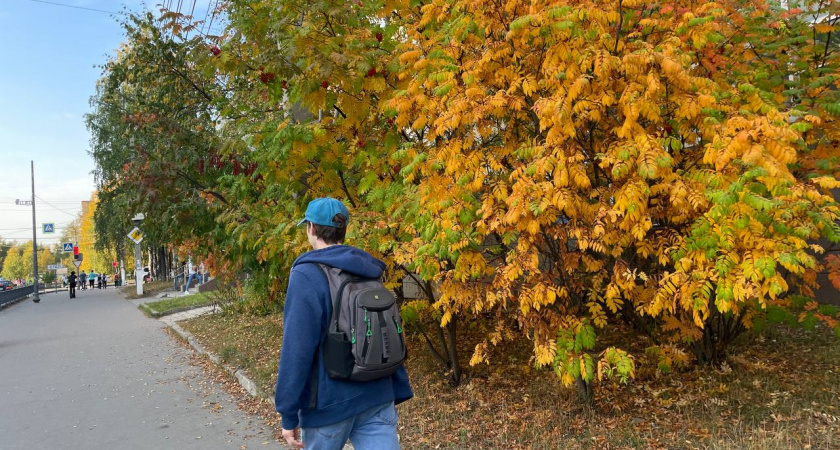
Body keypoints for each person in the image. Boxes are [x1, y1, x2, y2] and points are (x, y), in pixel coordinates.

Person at [276, 197, 412, 449]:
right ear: (343, 229)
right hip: (378, 395)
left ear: (312, 229)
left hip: (329, 406)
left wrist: (288, 413)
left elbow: (297, 348)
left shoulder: (307, 274)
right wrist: (398, 386)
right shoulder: (368, 268)